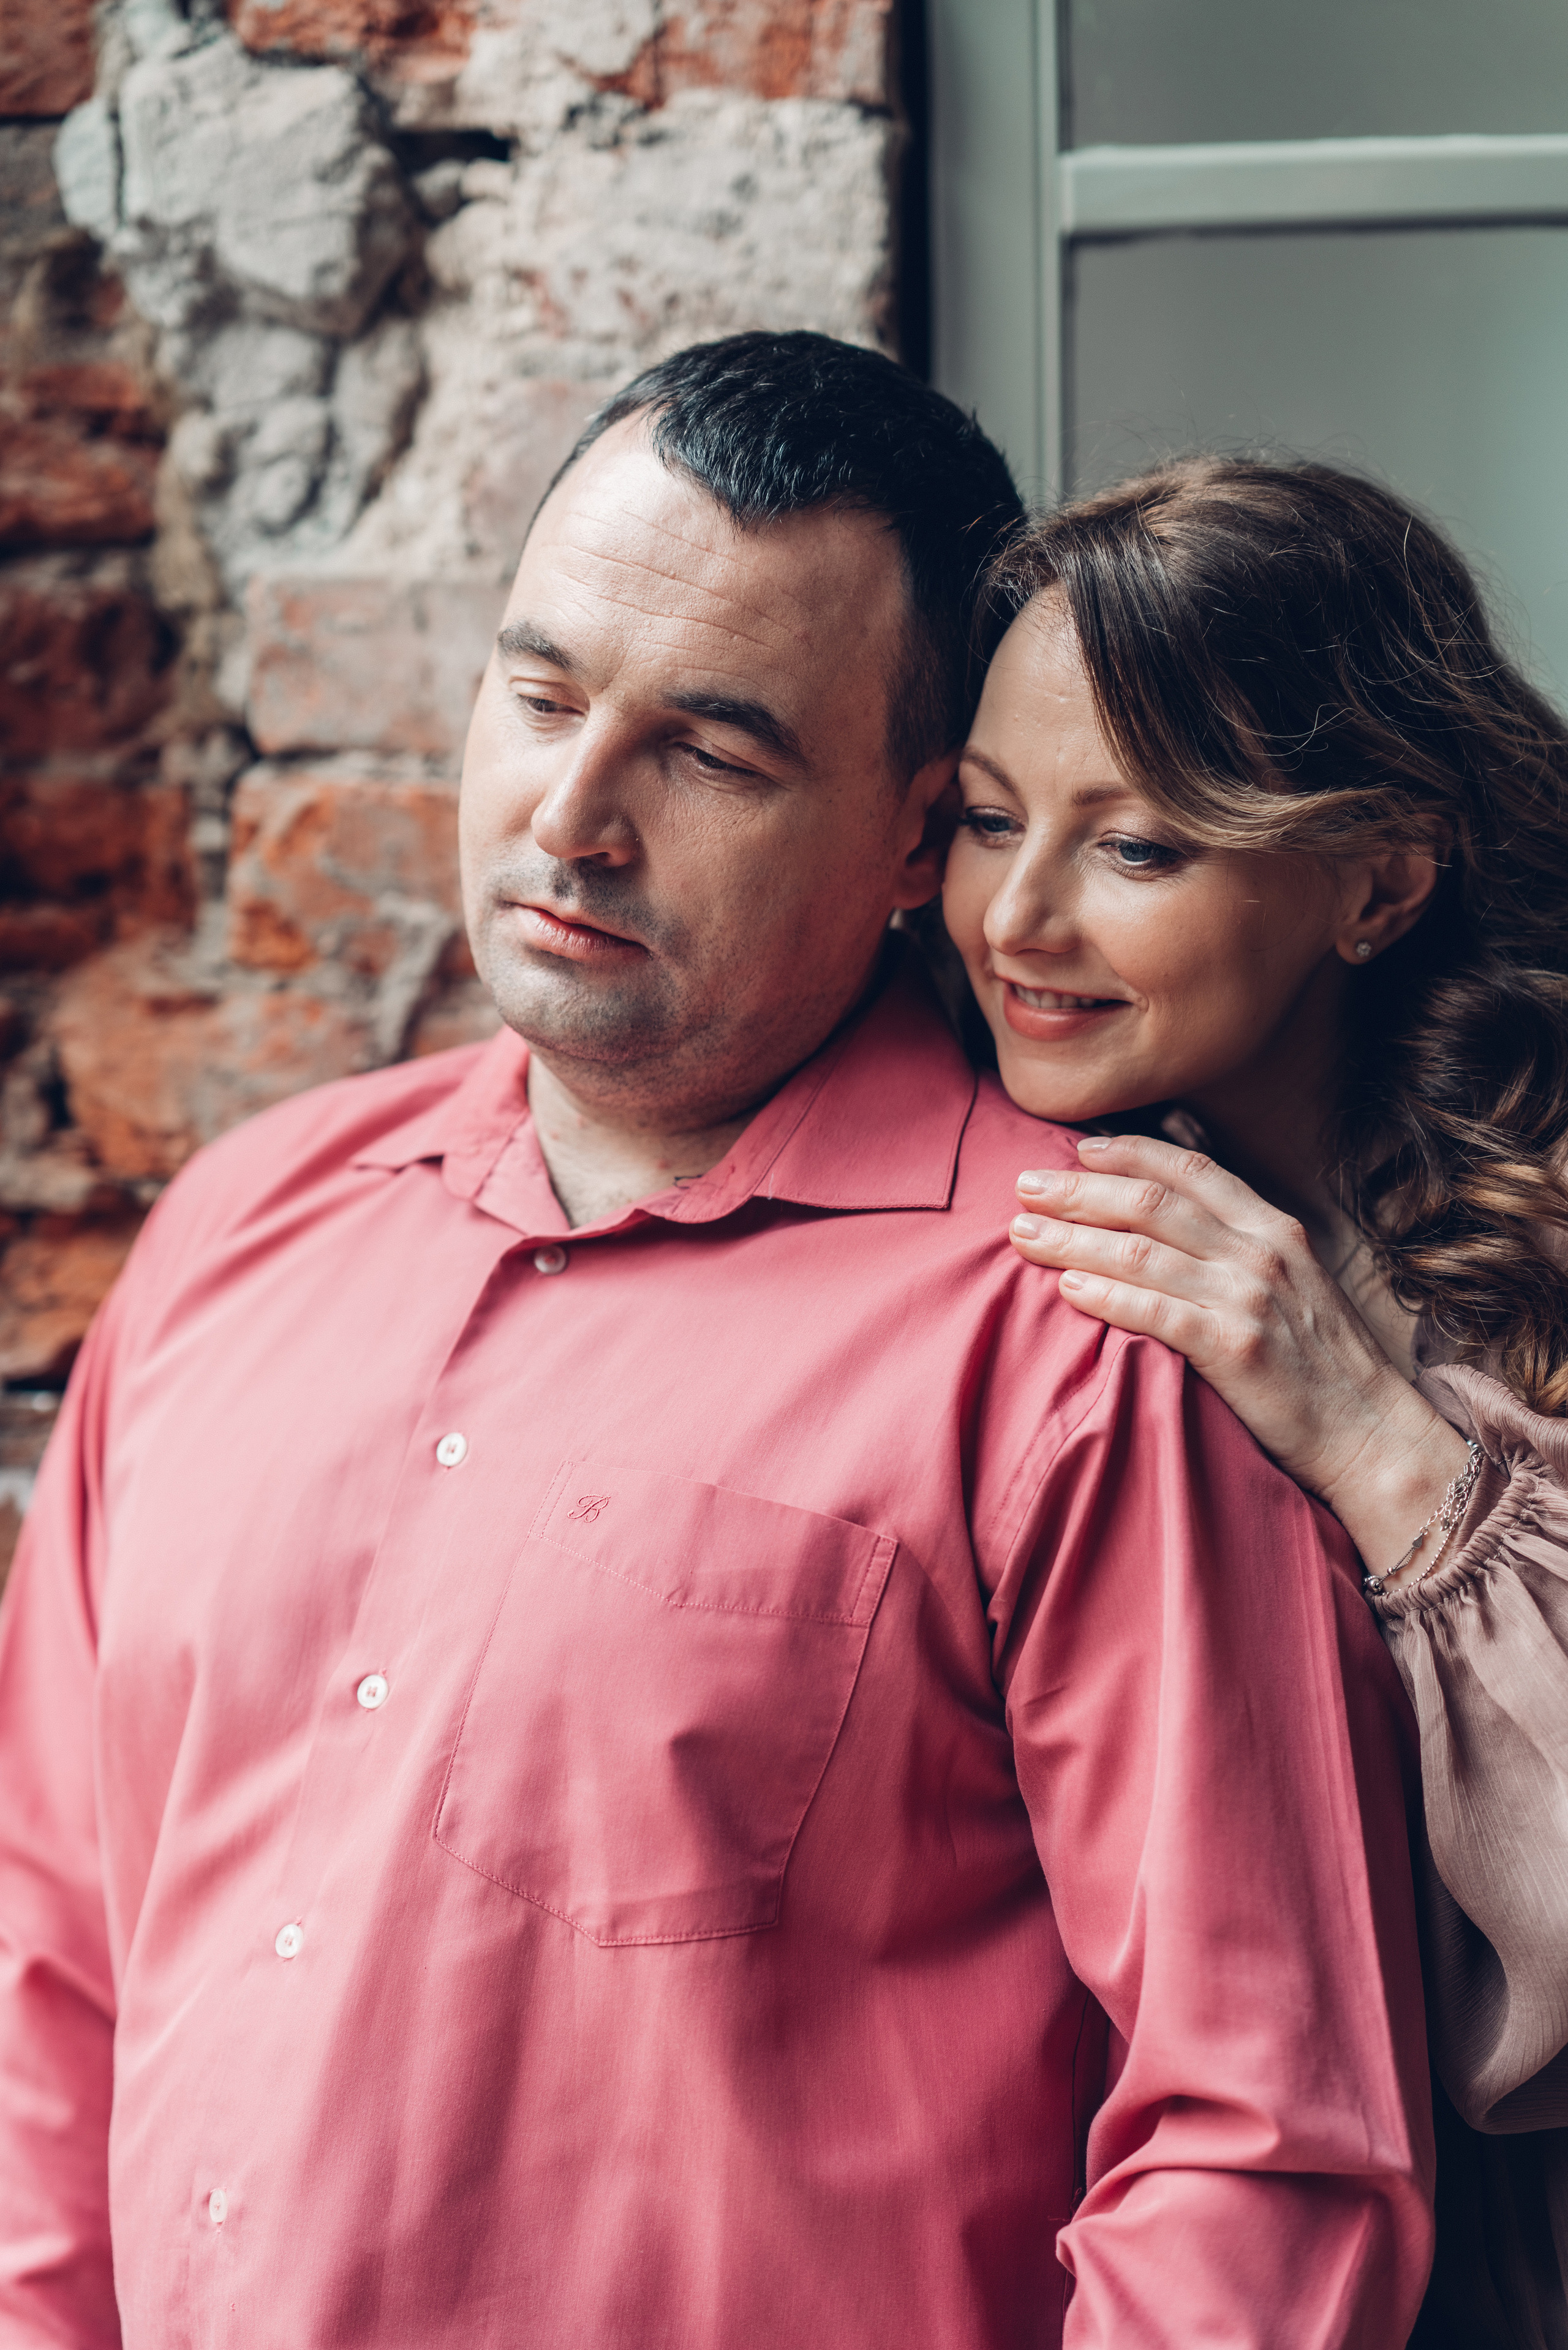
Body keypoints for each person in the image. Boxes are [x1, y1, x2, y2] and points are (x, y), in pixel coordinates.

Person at [0, 338, 1434, 2348]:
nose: (572, 816)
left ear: (914, 836)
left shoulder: (1087, 1332)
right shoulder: (235, 1232)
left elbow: (1265, 2147)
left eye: (712, 752)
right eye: (541, 692)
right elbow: (46, 1972)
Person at [940, 454, 1568, 2348]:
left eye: (1137, 849)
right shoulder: (994, 1201)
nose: (1017, 921)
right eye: (983, 819)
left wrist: (1376, 1443)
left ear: (1377, 880)